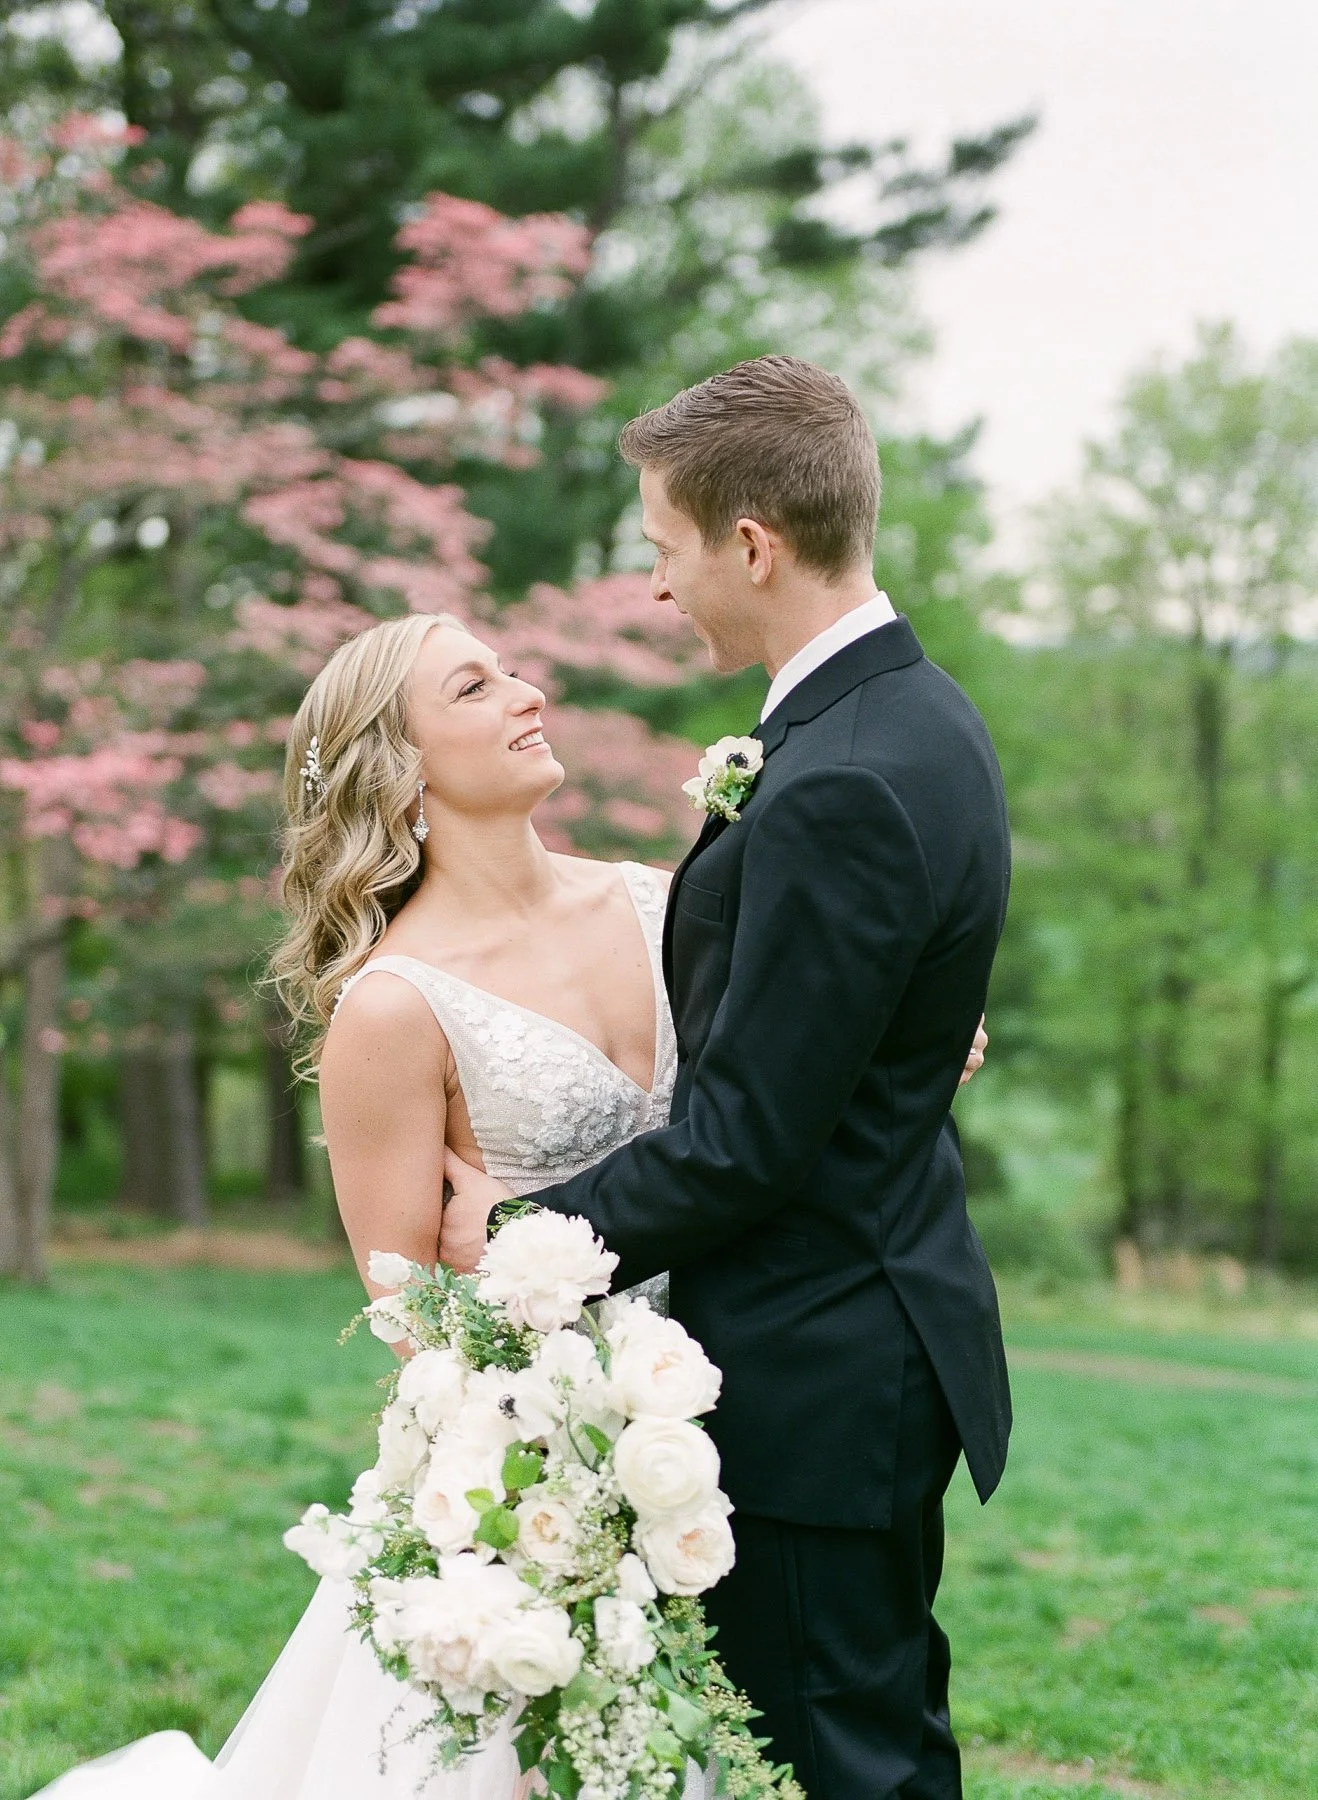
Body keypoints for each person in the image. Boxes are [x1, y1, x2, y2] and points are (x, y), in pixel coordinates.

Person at [31, 368, 991, 1800]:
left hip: (743, 1404)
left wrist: (908, 1043)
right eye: (473, 684)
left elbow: (785, 1064)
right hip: (567, 1460)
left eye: (659, 546)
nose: (529, 686)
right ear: (399, 772)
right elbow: (408, 1312)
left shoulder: (659, 897)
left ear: (748, 544)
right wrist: (552, 1458)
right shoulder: (393, 1009)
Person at [439, 355, 1012, 1800]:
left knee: (838, 1762)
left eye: (661, 549)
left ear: (748, 542)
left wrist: (511, 1244)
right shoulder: (901, 719)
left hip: (821, 1365)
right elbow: (828, 1031)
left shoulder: (837, 779)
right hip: (859, 1330)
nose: (653, 587)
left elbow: (748, 1143)